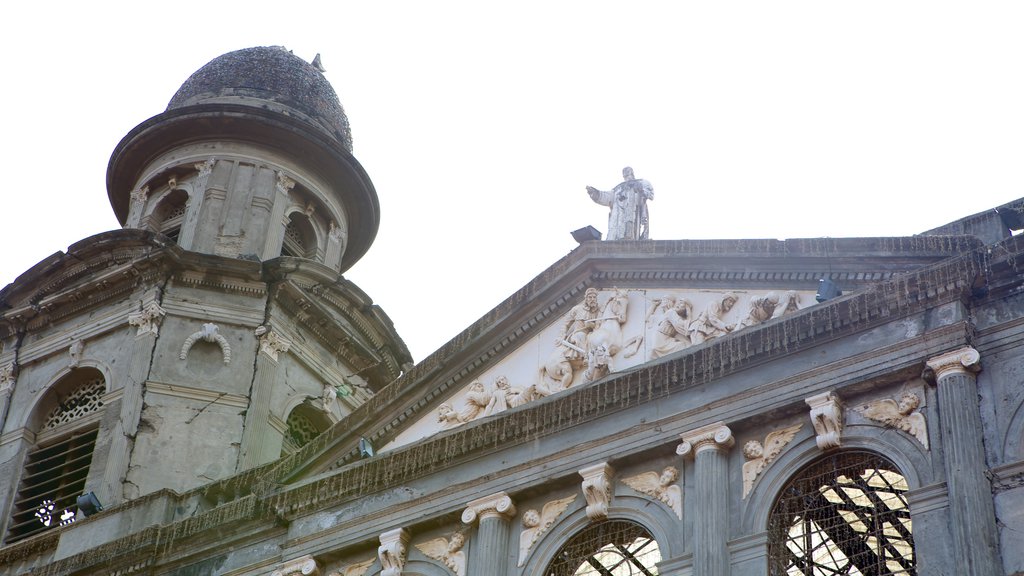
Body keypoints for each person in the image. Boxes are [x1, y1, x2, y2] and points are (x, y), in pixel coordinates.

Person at [586, 167, 654, 240]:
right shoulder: (618, 188)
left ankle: (629, 239)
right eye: (625, 174)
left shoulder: (640, 183)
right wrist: (595, 193)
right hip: (618, 218)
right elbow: (606, 197)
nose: (626, 175)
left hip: (633, 214)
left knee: (630, 230)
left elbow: (649, 194)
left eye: (628, 173)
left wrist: (641, 190)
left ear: (632, 173)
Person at [560, 287, 601, 362]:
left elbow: (599, 324)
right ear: (586, 298)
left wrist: (591, 325)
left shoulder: (598, 311)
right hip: (578, 333)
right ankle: (586, 356)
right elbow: (566, 324)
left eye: (594, 297)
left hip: (591, 334)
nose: (592, 299)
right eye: (590, 297)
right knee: (581, 335)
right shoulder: (577, 309)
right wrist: (562, 334)